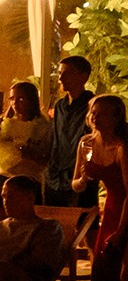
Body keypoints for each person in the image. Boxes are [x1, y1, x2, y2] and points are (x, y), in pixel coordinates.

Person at [73, 92, 127, 281]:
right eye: (93, 113)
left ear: (116, 117)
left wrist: (121, 231)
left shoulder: (121, 147)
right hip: (112, 208)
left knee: (124, 272)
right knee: (103, 269)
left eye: (103, 114)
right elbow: (75, 185)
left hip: (125, 208)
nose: (96, 118)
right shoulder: (87, 143)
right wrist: (84, 178)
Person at [0, 81, 53, 188]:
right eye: (12, 99)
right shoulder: (3, 122)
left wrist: (32, 155)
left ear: (31, 100)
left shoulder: (43, 127)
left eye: (21, 99)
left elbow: (49, 159)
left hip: (30, 180)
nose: (15, 103)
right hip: (3, 178)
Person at [46, 55, 96, 209]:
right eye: (60, 73)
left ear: (83, 77)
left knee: (81, 219)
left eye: (66, 73)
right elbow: (56, 138)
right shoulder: (60, 106)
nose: (61, 78)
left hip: (80, 175)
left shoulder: (92, 106)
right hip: (55, 176)